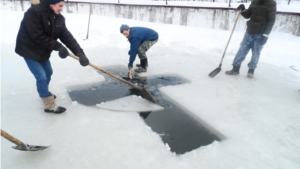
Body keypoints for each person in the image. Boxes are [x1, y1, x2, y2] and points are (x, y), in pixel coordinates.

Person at [15, 0, 89, 114]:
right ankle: (49, 104)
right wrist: (58, 46)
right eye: (60, 6)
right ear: (51, 4)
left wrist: (80, 54)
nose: (61, 9)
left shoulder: (59, 19)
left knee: (48, 72)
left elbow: (67, 37)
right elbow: (37, 36)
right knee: (41, 76)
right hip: (28, 50)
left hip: (43, 51)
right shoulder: (34, 13)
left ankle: (44, 92)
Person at [225, 0, 276, 78]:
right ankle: (235, 69)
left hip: (260, 33)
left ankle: (251, 71)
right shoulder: (254, 2)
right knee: (242, 50)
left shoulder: (271, 3)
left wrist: (266, 35)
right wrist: (242, 10)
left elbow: (271, 20)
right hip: (249, 32)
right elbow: (247, 15)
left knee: (256, 53)